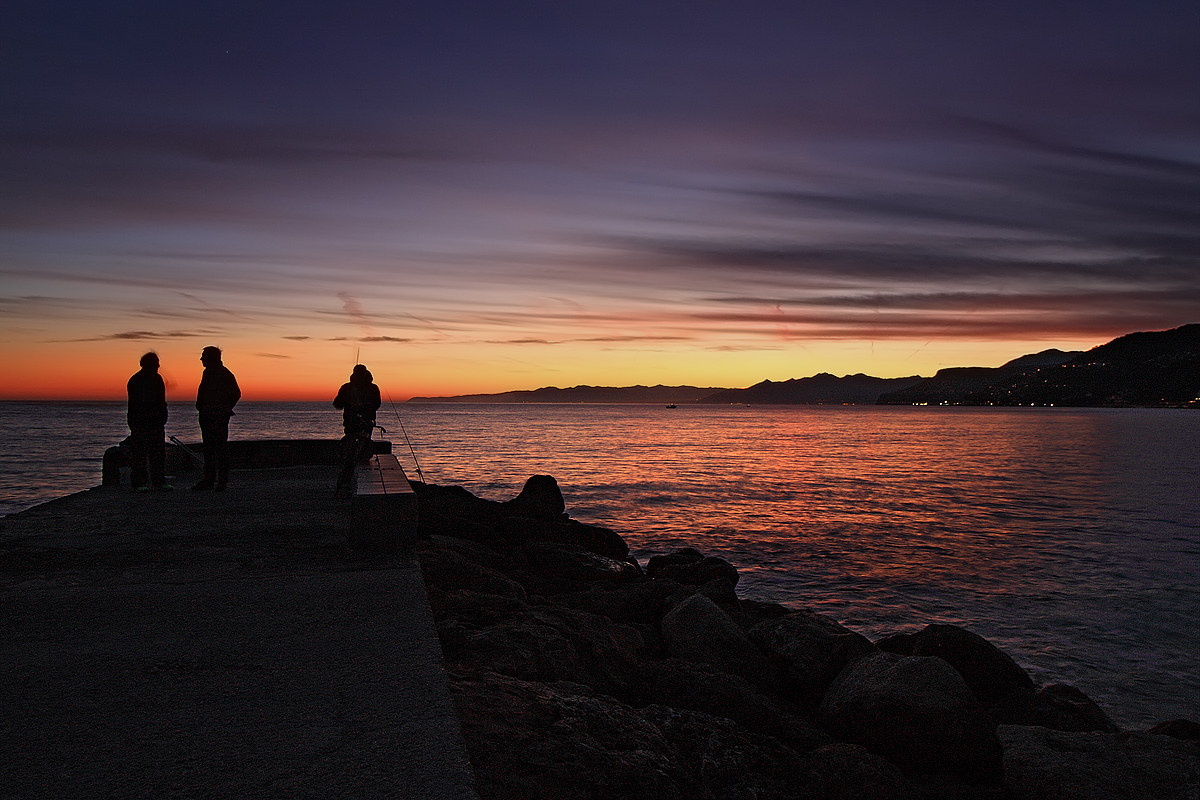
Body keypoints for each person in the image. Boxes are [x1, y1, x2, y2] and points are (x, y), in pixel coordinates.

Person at [192, 346, 240, 491]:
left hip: (216, 416)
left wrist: (225, 408)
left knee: (218, 448)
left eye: (204, 356)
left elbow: (236, 393)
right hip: (208, 415)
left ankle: (220, 481)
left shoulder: (223, 373)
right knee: (210, 448)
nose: (201, 359)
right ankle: (211, 479)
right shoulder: (209, 372)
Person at [333, 364, 382, 497]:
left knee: (357, 447)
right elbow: (377, 404)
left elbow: (337, 404)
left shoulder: (348, 387)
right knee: (356, 448)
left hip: (358, 423)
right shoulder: (371, 387)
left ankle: (349, 476)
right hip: (359, 423)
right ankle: (351, 475)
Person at [126, 351, 171, 491]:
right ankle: (139, 483)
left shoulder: (157, 379)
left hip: (156, 422)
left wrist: (163, 416)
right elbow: (135, 404)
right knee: (140, 453)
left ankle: (159, 481)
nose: (158, 366)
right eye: (155, 363)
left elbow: (161, 400)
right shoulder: (136, 380)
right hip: (141, 422)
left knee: (158, 453)